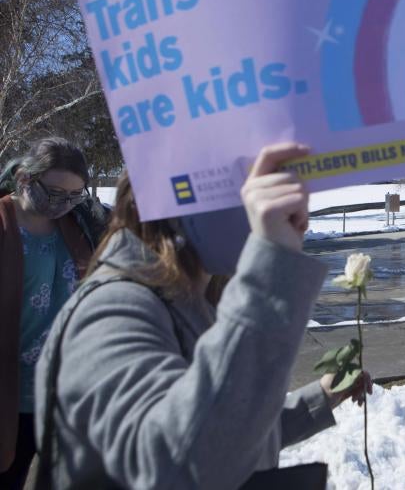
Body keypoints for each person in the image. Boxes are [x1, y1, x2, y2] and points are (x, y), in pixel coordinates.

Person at [34, 143, 370, 489]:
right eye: (253, 188)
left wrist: (322, 397)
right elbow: (178, 465)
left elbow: (232, 433)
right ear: (182, 197)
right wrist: (272, 270)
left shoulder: (194, 301)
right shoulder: (114, 310)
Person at [0, 138, 101, 490]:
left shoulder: (79, 225)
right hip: (9, 396)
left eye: (75, 195)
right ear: (25, 178)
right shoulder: (4, 222)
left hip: (62, 396)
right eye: (56, 192)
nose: (64, 203)